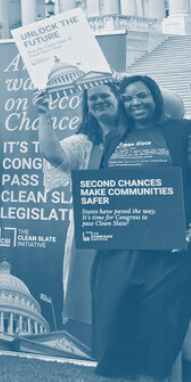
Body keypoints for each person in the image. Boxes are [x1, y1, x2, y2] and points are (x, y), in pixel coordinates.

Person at [92, 75, 191, 382]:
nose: (136, 103)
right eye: (129, 98)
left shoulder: (183, 132)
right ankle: (168, 381)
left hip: (177, 244)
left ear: (156, 98)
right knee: (124, 304)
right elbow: (110, 188)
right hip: (130, 242)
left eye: (143, 96)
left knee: (162, 310)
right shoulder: (116, 138)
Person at [35, 79, 125, 344]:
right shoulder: (84, 143)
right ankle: (92, 341)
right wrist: (43, 115)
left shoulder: (138, 136)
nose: (98, 101)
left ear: (118, 98)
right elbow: (52, 153)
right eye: (92, 98)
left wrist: (124, 80)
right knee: (87, 285)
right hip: (91, 228)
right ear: (86, 107)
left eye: (104, 95)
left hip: (130, 229)